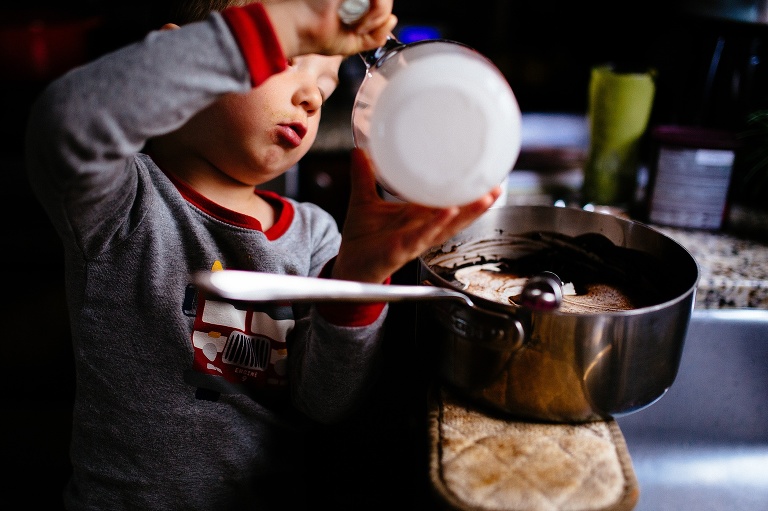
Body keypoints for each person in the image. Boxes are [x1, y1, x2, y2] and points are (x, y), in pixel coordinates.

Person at [25, 0, 502, 509]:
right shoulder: (121, 203)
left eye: (326, 86)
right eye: (289, 58)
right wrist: (280, 27)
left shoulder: (316, 236)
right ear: (185, 65)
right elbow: (68, 121)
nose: (311, 98)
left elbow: (325, 401)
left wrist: (359, 278)